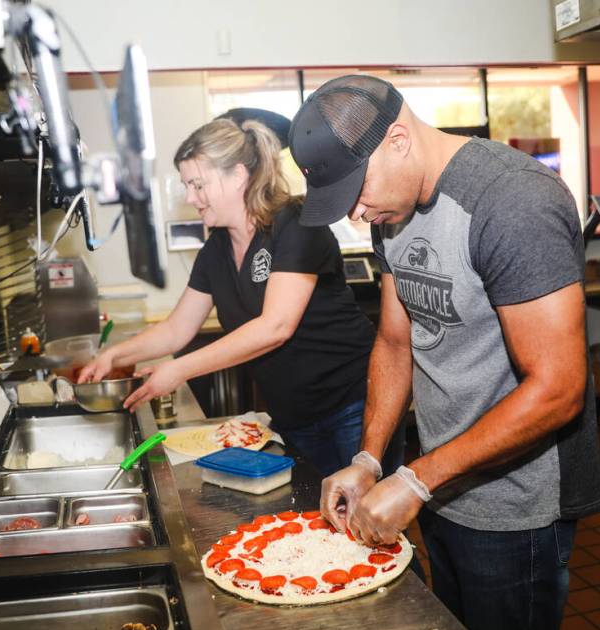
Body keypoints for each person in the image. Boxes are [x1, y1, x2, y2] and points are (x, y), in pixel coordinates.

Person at [288, 75, 600, 630]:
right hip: (438, 485)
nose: (356, 214)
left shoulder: (512, 201)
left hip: (516, 508)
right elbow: (394, 339)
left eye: (357, 192)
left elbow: (558, 389)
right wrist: (370, 460)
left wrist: (416, 480)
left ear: (399, 140)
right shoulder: (393, 211)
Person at [79, 117, 395, 476]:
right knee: (320, 521)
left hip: (354, 403)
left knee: (367, 517)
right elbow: (176, 329)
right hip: (293, 414)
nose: (189, 198)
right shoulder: (215, 250)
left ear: (239, 176)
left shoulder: (296, 222)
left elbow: (276, 326)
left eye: (198, 184)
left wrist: (178, 368)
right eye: (186, 186)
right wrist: (113, 355)